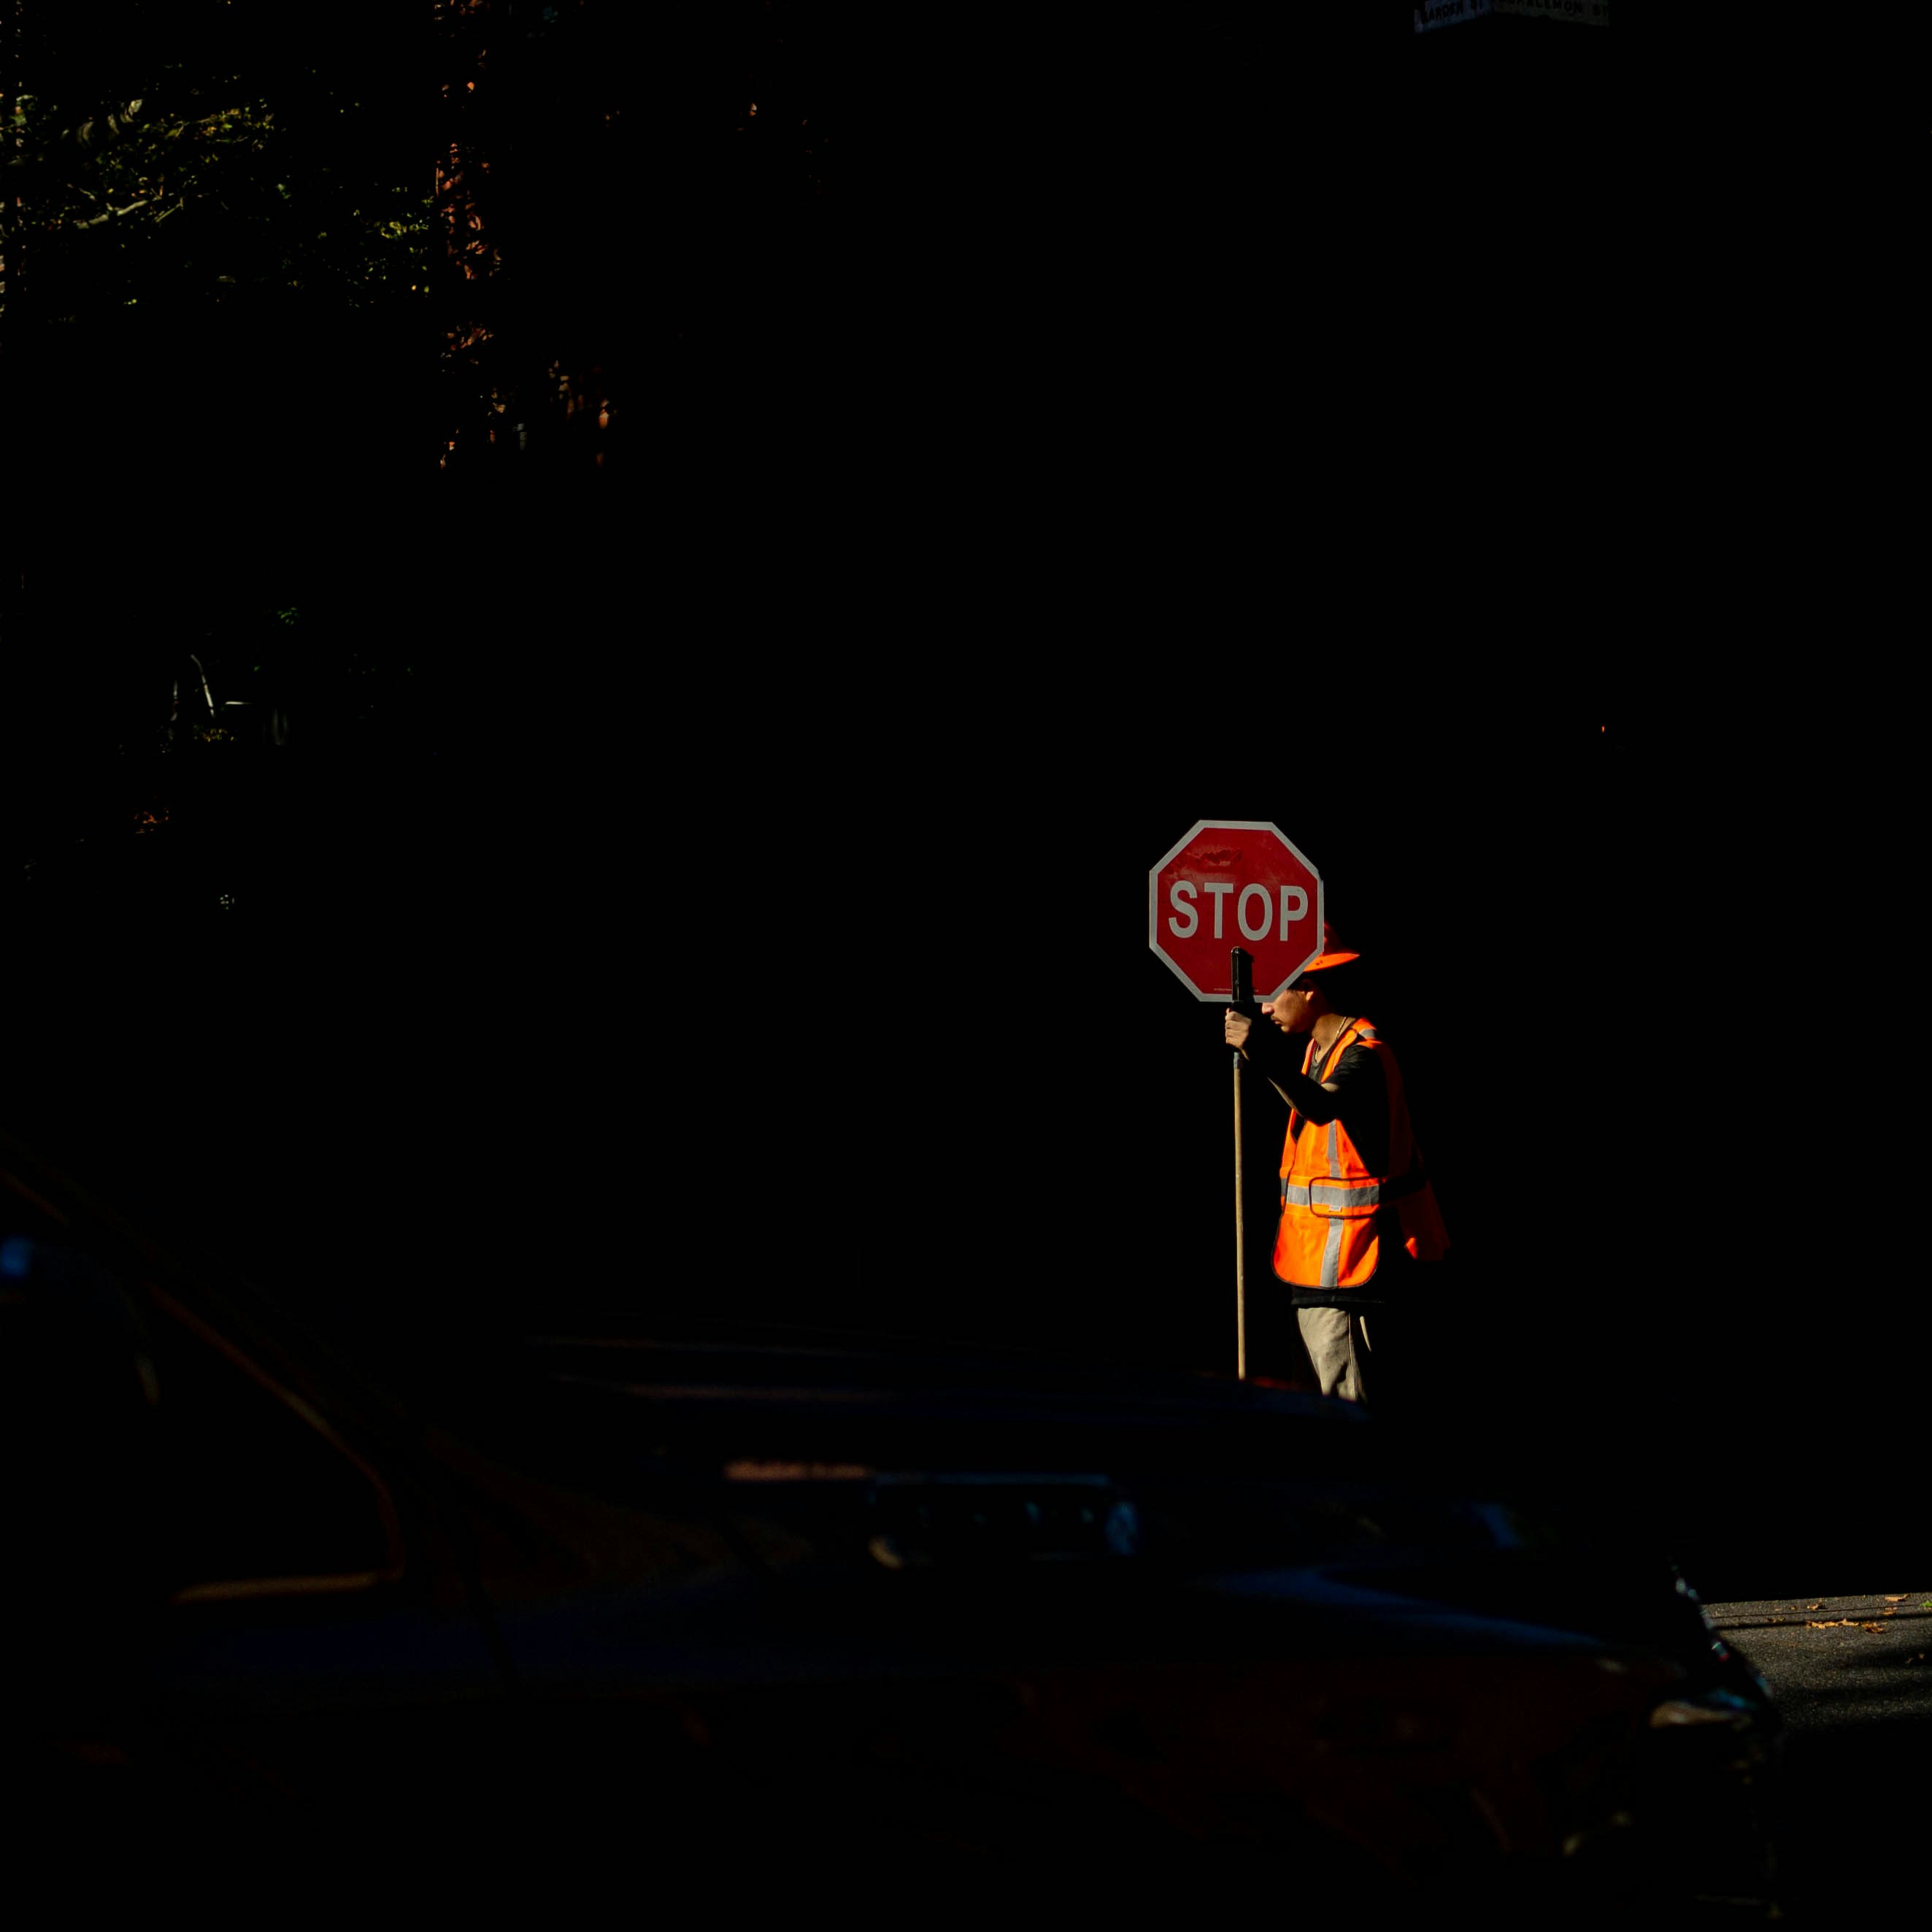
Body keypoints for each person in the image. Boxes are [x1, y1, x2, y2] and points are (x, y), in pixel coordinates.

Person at [1223, 925, 1447, 1406]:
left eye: (1275, 994)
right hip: (1316, 1276)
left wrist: (1258, 1051)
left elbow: (1322, 1107)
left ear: (1309, 987)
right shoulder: (1314, 1053)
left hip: (1352, 1278)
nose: (1265, 1008)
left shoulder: (1364, 1055)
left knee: (1346, 1435)